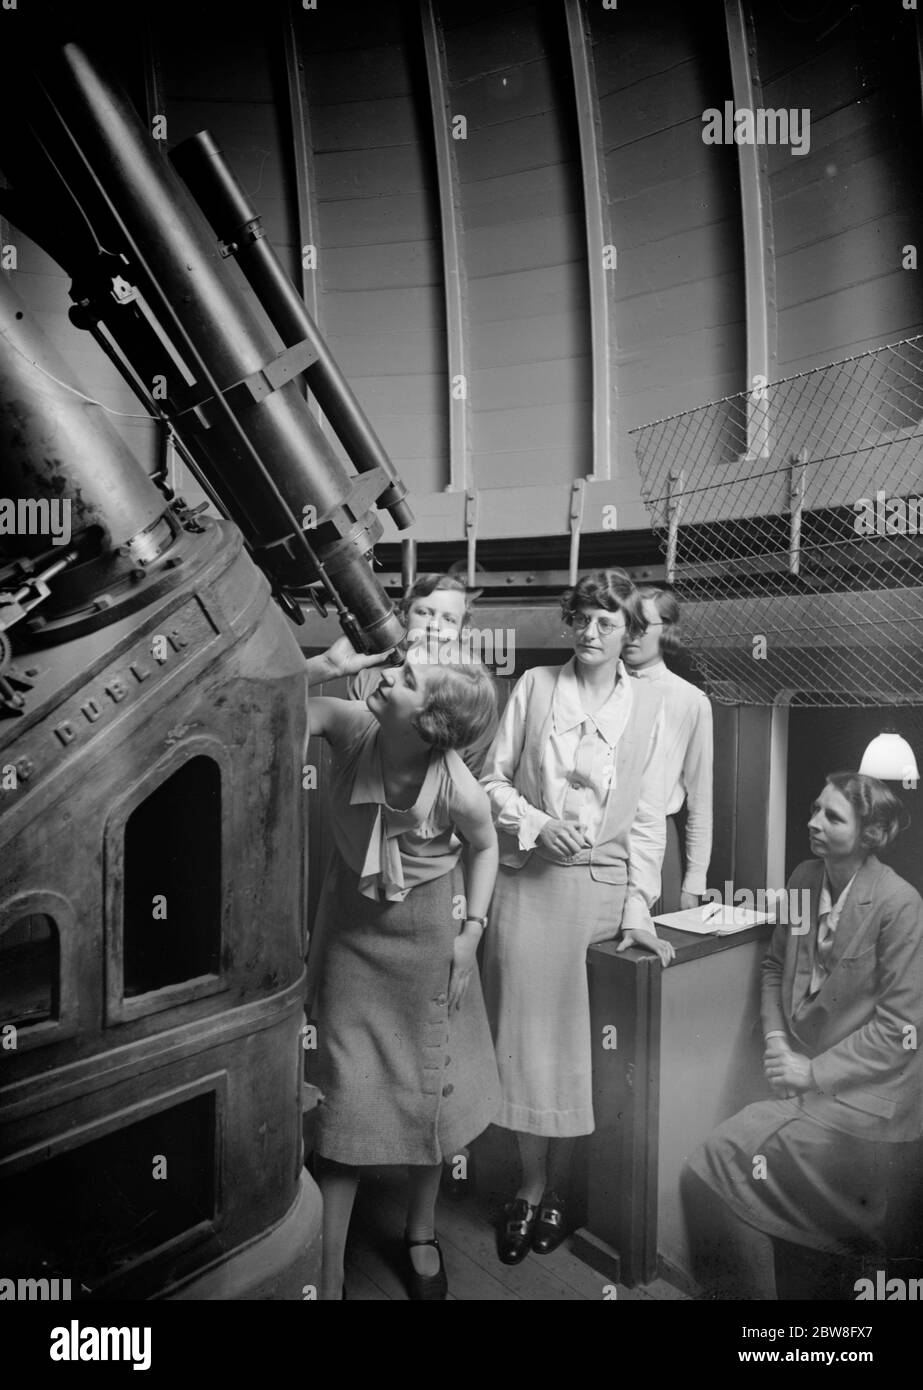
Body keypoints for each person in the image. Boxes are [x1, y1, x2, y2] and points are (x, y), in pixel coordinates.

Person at [479, 569, 675, 1266]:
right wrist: (535, 821)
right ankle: (530, 1187)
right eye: (582, 619)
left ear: (629, 632)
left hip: (600, 893)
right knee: (528, 1047)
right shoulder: (533, 688)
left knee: (586, 1053)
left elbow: (648, 819)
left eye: (606, 622)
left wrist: (639, 908)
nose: (590, 634)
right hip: (529, 887)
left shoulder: (651, 710)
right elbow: (490, 780)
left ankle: (566, 1189)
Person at [303, 648, 501, 1301]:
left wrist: (471, 934)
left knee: (428, 1091)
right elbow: (273, 706)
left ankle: (420, 1233)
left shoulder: (456, 787)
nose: (387, 676)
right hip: (349, 934)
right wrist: (323, 662)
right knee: (341, 1103)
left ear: (430, 726)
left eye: (407, 680)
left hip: (428, 935)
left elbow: (486, 845)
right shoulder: (351, 724)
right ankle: (327, 1277)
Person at [686, 772, 923, 1299]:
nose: (813, 822)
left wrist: (810, 1071)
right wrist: (776, 1041)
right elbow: (774, 967)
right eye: (815, 809)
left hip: (870, 1099)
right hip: (805, 1077)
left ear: (871, 834)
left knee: (722, 1154)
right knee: (733, 1159)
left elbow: (899, 1031)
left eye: (833, 816)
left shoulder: (899, 904)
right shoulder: (802, 879)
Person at [348, 572, 499, 777]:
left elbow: (476, 776)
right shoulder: (368, 680)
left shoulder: (474, 694)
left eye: (449, 618)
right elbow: (353, 754)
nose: (434, 626)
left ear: (462, 631)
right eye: (424, 612)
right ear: (404, 617)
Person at [622, 585, 713, 913]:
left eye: (642, 626)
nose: (631, 635)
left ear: (667, 631)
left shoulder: (690, 700)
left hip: (659, 846)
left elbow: (700, 799)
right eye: (626, 624)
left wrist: (694, 882)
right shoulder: (597, 687)